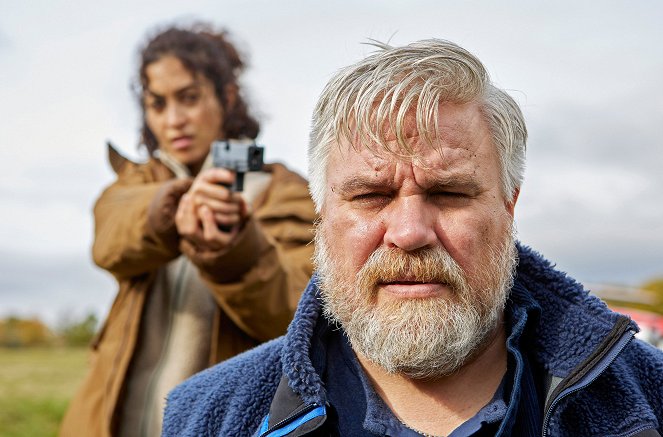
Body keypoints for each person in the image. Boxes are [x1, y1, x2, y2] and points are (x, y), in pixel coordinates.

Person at [162, 39, 663, 437]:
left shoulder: (649, 397)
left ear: (508, 205)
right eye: (371, 195)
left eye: (448, 193)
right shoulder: (207, 416)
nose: (408, 232)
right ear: (322, 212)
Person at [59, 23, 316, 437]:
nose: (174, 120)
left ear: (227, 97)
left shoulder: (281, 190)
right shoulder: (137, 183)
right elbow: (108, 240)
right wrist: (172, 205)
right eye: (157, 104)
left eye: (189, 98)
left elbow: (297, 313)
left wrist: (235, 250)